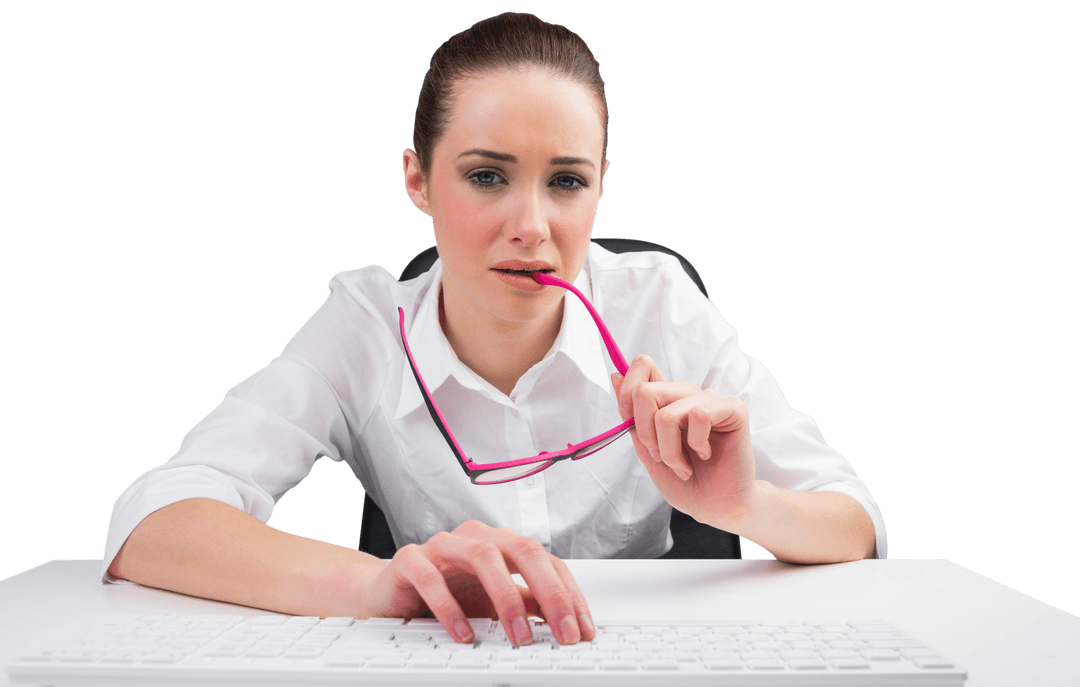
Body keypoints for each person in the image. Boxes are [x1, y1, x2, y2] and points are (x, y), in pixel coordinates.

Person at [103, 12, 887, 648]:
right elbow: (152, 519)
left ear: (601, 187)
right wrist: (380, 583)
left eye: (567, 182)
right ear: (417, 179)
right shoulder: (367, 325)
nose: (533, 226)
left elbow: (853, 520)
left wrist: (745, 503)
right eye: (487, 176)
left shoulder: (658, 304)